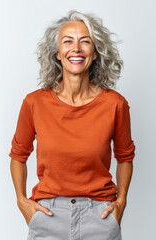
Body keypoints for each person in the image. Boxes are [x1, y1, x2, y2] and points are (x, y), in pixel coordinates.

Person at [9, 10, 136, 240]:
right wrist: (22, 201)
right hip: (47, 216)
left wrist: (121, 201)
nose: (76, 48)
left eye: (85, 41)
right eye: (68, 41)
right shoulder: (34, 102)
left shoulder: (115, 104)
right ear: (57, 54)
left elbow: (125, 156)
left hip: (100, 216)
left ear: (95, 53)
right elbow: (18, 155)